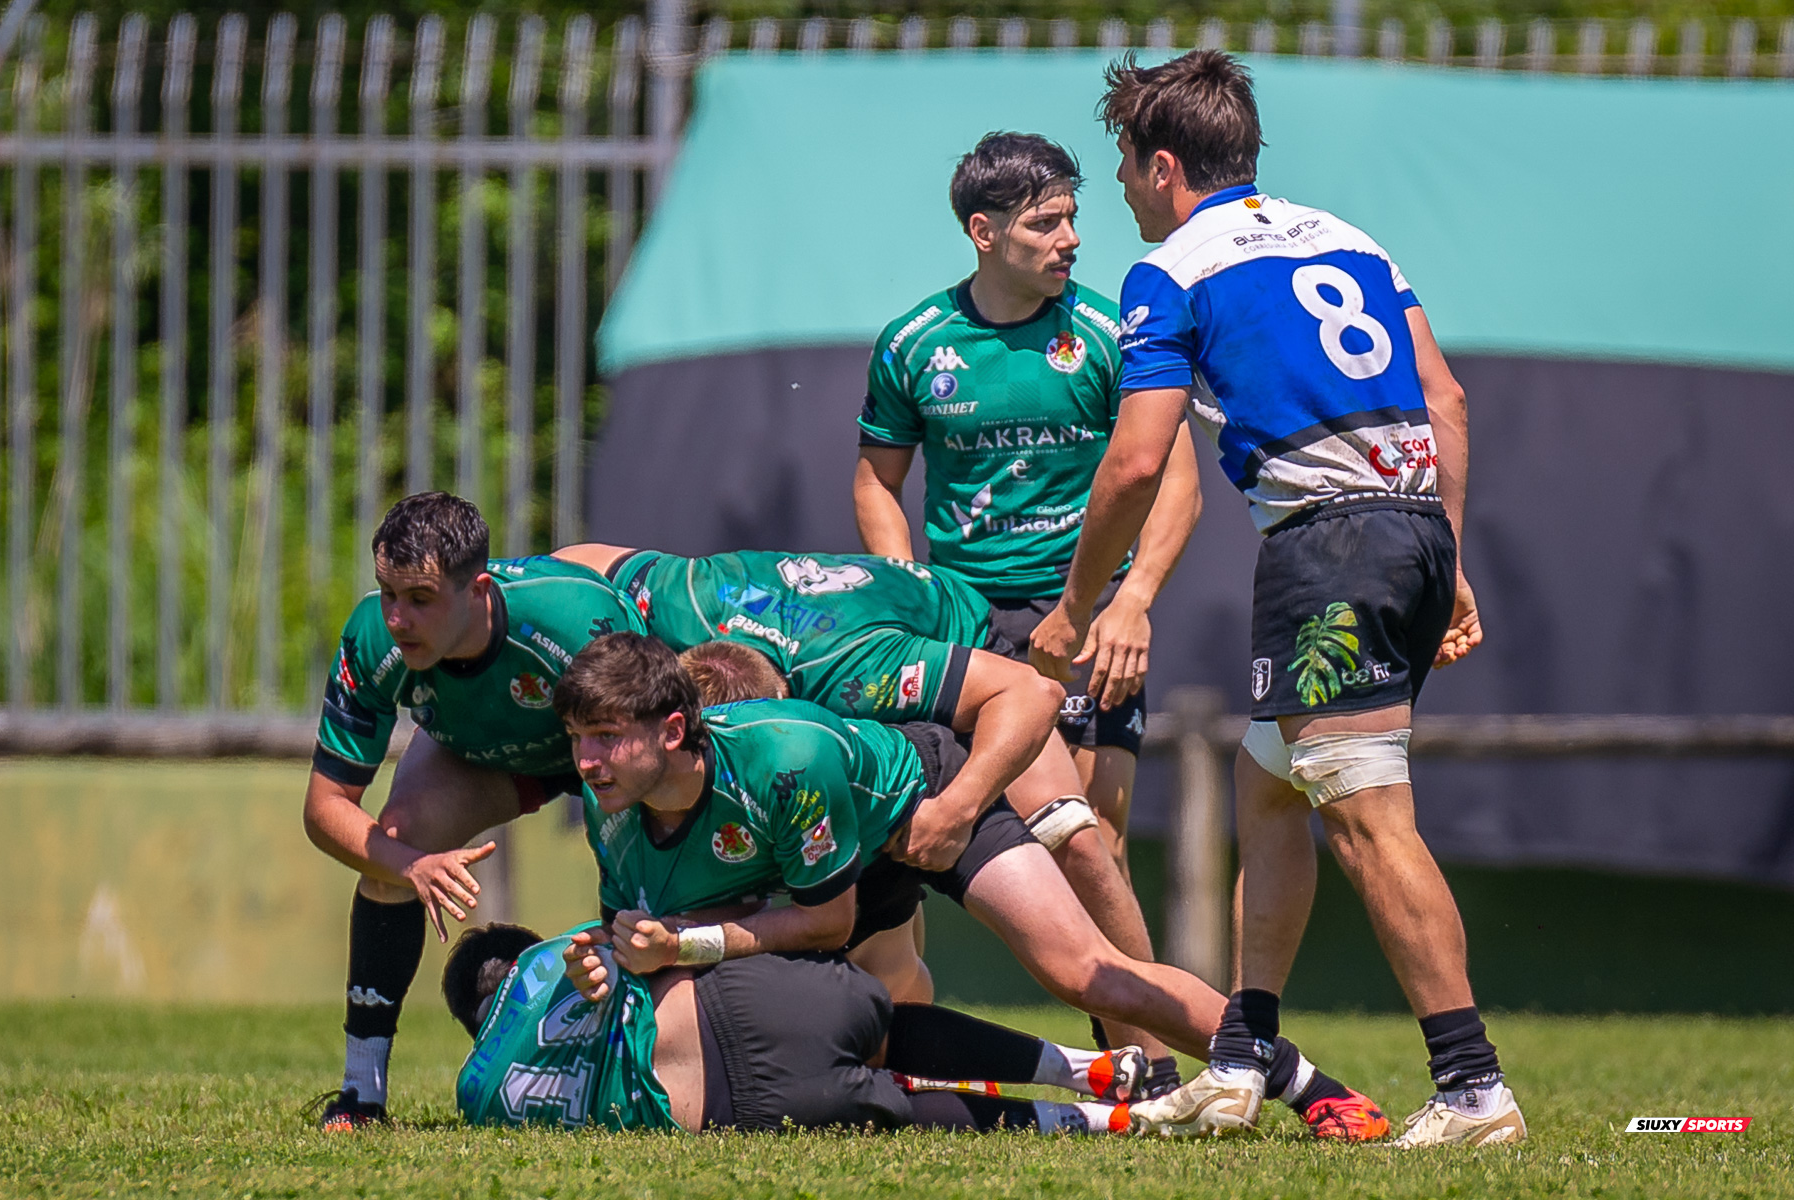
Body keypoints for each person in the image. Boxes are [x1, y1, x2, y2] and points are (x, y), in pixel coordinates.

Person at [1029, 51, 1523, 1147]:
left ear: (1164, 166)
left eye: (1121, 163)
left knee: (1362, 812)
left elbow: (1135, 462)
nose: (1117, 187)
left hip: (1329, 548)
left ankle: (1474, 1086)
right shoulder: (1352, 236)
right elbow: (1442, 396)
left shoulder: (1172, 270)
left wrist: (1076, 607)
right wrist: (1444, 550)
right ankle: (1244, 1058)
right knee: (1272, 784)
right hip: (1403, 526)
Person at [555, 631, 1389, 1139]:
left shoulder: (785, 760)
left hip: (920, 804)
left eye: (603, 739)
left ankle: (1309, 1088)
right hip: (813, 865)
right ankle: (1101, 1087)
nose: (585, 763)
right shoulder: (612, 810)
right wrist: (604, 960)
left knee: (1081, 970)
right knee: (870, 1023)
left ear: (672, 731)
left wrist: (689, 942)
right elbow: (638, 935)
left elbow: (824, 920)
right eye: (575, 740)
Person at [553, 542, 1165, 1058]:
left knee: (1073, 841)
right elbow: (572, 561)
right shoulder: (674, 606)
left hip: (980, 654)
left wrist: (958, 810)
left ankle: (1158, 1069)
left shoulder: (852, 669)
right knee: (878, 970)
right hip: (860, 751)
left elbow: (1032, 694)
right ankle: (904, 1064)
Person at [853, 132, 1203, 938]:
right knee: (1027, 839)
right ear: (984, 233)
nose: (1071, 239)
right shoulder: (915, 343)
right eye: (1046, 223)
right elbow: (878, 480)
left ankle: (1139, 1058)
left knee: (1096, 848)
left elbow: (1177, 485)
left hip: (1083, 618)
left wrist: (1132, 602)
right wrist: (908, 587)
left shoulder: (1114, 334)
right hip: (969, 622)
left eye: (1074, 218)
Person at [301, 492, 645, 1130]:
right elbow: (325, 809)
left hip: (604, 744)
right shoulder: (373, 637)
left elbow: (648, 743)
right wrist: (412, 865)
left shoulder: (571, 621)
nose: (398, 618)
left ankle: (642, 1058)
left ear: (478, 590)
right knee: (395, 841)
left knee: (643, 862)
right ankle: (361, 1092)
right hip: (489, 755)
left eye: (421, 599)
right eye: (387, 593)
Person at [448, 921, 1153, 1134]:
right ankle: (1087, 1067)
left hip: (722, 1112)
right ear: (513, 958)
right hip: (734, 1007)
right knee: (891, 1033)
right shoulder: (547, 959)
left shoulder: (476, 1093)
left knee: (898, 1110)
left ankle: (1096, 1124)